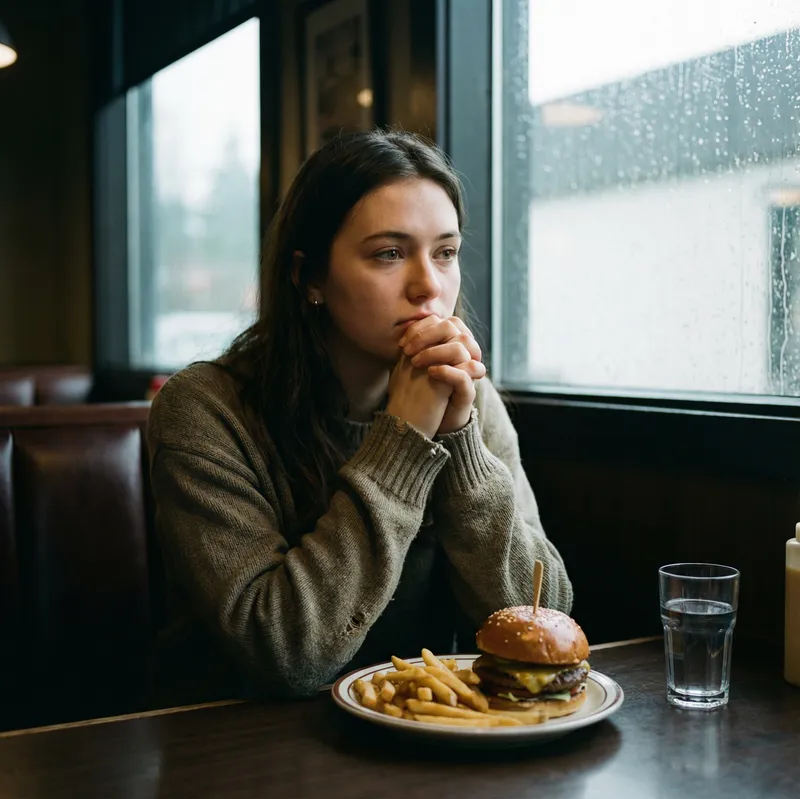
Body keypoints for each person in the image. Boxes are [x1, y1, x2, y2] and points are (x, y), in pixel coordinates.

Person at [146, 129, 573, 706]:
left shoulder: (467, 395)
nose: (429, 285)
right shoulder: (205, 409)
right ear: (309, 277)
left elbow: (542, 619)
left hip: (429, 731)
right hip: (238, 741)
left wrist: (462, 444)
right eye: (389, 254)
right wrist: (403, 443)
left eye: (445, 252)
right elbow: (284, 656)